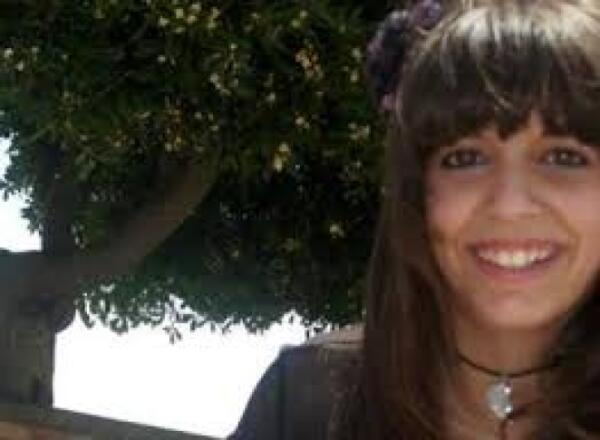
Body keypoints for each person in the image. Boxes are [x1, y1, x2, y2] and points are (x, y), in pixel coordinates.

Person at [230, 0, 600, 438]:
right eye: (465, 158)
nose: (510, 205)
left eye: (563, 157)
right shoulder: (304, 402)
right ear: (416, 191)